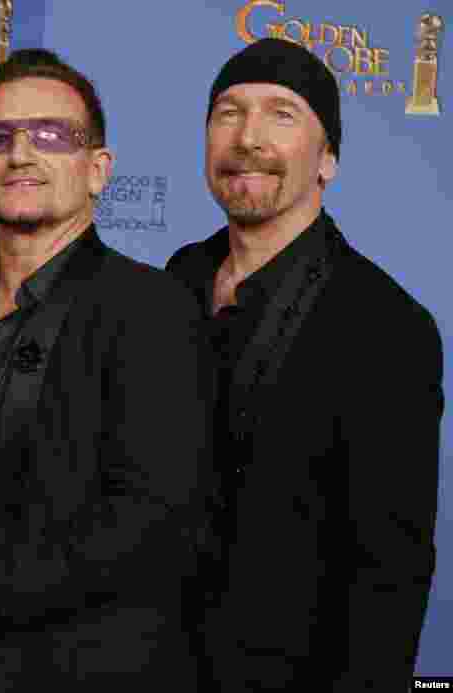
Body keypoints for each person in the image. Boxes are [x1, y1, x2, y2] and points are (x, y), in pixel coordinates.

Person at [0, 48, 216, 689]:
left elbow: (153, 519)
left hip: (88, 668)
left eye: (50, 135)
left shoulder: (154, 309)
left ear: (97, 170)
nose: (20, 154)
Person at [166, 37, 444, 691]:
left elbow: (391, 573)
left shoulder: (386, 324)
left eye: (281, 114)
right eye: (228, 113)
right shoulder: (174, 280)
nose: (248, 138)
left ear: (328, 160)